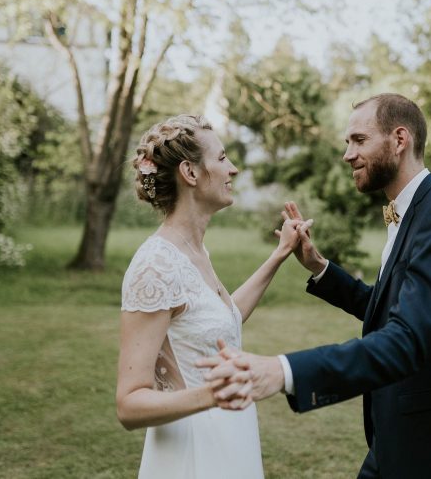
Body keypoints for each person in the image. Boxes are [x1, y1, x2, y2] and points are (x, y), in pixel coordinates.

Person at [201, 94, 431, 478]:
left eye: (359, 140)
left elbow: (406, 338)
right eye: (348, 143)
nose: (347, 154)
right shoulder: (408, 212)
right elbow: (390, 307)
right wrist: (320, 267)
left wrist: (285, 371)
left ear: (399, 139)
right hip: (399, 436)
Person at [115, 114, 307, 479]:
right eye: (221, 159)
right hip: (193, 451)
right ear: (190, 172)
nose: (232, 169)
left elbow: (224, 318)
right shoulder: (155, 265)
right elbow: (129, 403)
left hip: (231, 435)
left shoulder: (195, 251)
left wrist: (280, 254)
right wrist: (213, 395)